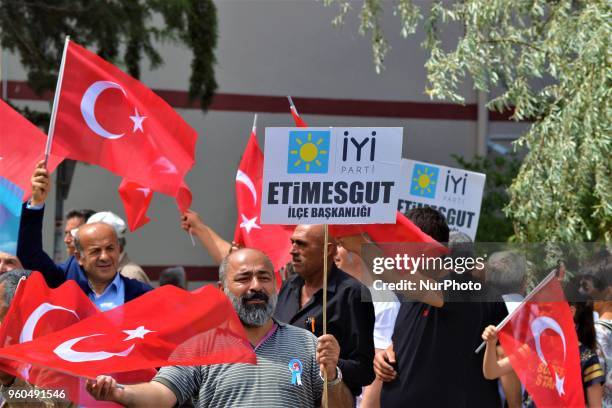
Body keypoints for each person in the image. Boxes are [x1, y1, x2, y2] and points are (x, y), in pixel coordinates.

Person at [86, 248, 354, 407]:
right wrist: (119, 392)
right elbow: (161, 394)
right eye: (243, 278)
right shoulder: (199, 346)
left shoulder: (307, 343)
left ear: (276, 285)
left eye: (264, 277)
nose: (256, 286)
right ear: (222, 290)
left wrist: (332, 376)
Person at [376, 207, 504, 407]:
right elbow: (409, 340)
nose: (399, 252)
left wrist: (361, 246)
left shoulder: (464, 289)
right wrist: (385, 355)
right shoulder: (412, 292)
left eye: (405, 245)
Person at [17, 161, 152, 310]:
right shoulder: (64, 283)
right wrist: (36, 203)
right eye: (95, 251)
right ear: (79, 257)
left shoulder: (142, 295)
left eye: (110, 248)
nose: (105, 256)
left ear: (118, 248)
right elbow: (29, 253)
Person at [274, 224, 376, 400]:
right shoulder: (287, 287)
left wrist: (331, 364)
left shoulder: (352, 294)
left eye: (302, 244)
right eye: (292, 243)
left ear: (328, 250)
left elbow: (365, 371)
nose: (292, 251)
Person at [481, 281, 605, 407]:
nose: (543, 315)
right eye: (540, 309)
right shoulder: (534, 348)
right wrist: (491, 344)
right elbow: (491, 372)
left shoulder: (587, 359)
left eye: (548, 309)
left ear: (570, 311)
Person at [84, 211, 151, 285]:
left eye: (109, 248)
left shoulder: (130, 275)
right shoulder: (112, 273)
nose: (103, 257)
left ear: (118, 246)